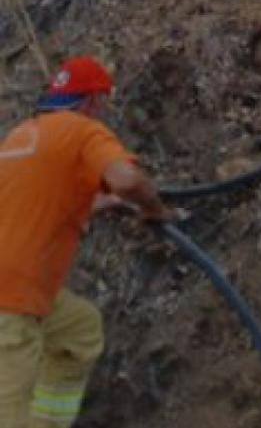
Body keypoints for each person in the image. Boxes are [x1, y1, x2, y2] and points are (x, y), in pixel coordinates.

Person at [0, 54, 168, 428]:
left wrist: (95, 202)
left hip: (16, 286)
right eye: (102, 103)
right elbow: (128, 180)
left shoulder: (21, 136)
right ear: (93, 100)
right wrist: (154, 209)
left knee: (80, 330)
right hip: (11, 302)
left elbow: (36, 204)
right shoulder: (82, 131)